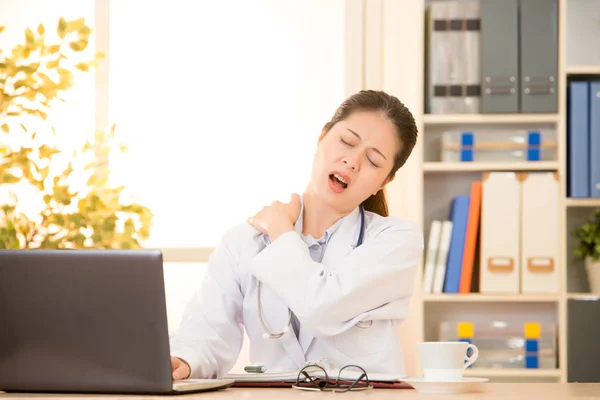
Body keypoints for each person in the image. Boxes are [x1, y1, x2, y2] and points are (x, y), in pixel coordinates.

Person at [169, 90, 423, 380]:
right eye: (347, 142)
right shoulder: (243, 242)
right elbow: (207, 332)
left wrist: (281, 231)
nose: (352, 162)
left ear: (385, 181)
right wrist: (182, 361)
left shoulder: (395, 240)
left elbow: (323, 308)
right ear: (322, 136)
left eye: (374, 161)